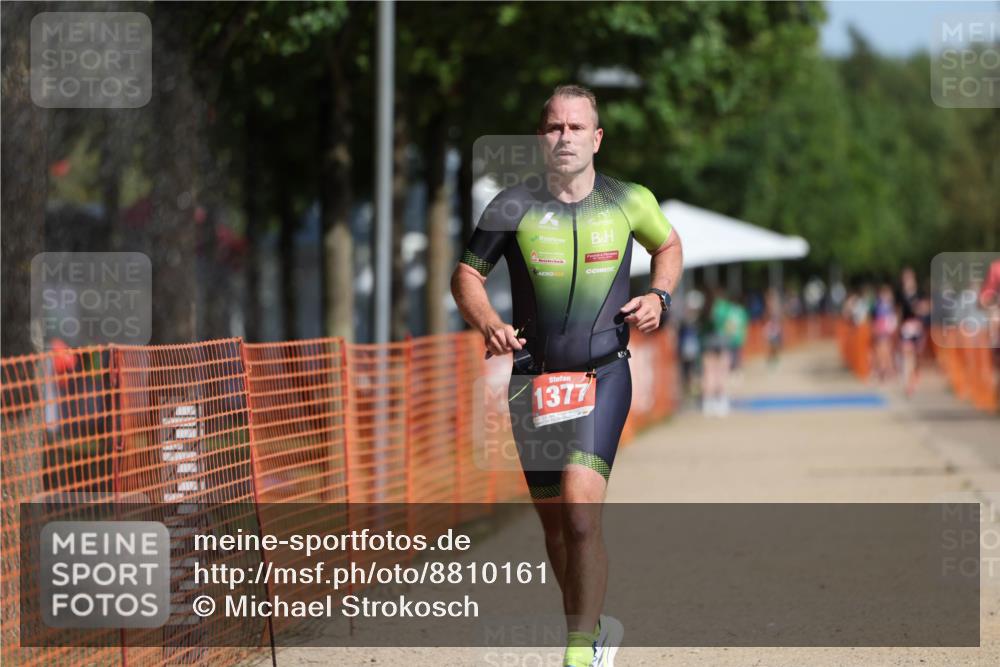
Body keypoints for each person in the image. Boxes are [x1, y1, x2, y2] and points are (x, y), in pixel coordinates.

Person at [450, 84, 683, 667]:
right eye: (555, 127)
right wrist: (489, 324)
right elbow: (465, 277)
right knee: (557, 528)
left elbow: (670, 244)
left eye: (576, 128)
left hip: (604, 374)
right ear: (540, 137)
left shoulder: (629, 200)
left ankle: (580, 653)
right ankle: (592, 626)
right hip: (534, 381)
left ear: (596, 138)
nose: (565, 138)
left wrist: (660, 295)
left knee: (581, 513)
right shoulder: (512, 206)